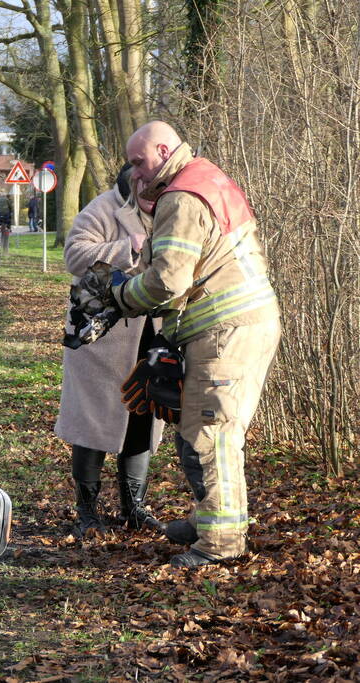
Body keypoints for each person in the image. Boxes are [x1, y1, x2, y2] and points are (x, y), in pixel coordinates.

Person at [110, 121, 280, 567]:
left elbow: (168, 281)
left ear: (164, 150)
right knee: (195, 428)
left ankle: (219, 544)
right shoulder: (205, 177)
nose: (135, 173)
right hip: (240, 324)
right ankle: (209, 518)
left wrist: (121, 296)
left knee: (211, 434)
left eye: (139, 162)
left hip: (225, 331)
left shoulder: (181, 197)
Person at [56, 163, 162, 537]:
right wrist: (126, 247)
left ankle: (135, 508)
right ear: (135, 183)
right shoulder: (101, 209)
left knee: (143, 417)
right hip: (99, 339)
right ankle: (87, 513)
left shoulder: (173, 208)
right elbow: (74, 255)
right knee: (93, 424)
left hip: (152, 335)